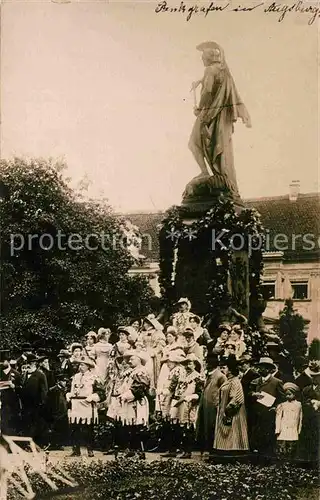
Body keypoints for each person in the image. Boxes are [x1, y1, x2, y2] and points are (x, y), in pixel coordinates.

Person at [188, 41, 251, 198]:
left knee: (193, 143)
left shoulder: (209, 70)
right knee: (216, 147)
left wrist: (200, 109)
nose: (202, 59)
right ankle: (219, 174)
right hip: (220, 117)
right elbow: (218, 86)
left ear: (209, 57)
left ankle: (204, 172)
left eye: (203, 56)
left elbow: (208, 92)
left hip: (209, 115)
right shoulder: (224, 71)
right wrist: (200, 81)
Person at [66, 356, 105, 457]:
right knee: (75, 428)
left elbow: (101, 393)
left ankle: (90, 449)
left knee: (88, 429)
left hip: (87, 406)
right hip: (76, 405)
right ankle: (76, 449)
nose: (80, 366)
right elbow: (70, 389)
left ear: (88, 366)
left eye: (83, 364)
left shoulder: (94, 378)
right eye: (79, 364)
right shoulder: (75, 377)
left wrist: (93, 397)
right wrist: (69, 395)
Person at [249, 357, 285, 458]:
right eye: (260, 367)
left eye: (264, 368)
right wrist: (253, 394)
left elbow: (282, 398)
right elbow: (248, 394)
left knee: (268, 434)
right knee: (256, 433)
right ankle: (257, 455)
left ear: (270, 370)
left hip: (269, 412)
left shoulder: (276, 382)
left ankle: (268, 456)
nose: (261, 370)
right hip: (256, 412)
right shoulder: (255, 381)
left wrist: (275, 407)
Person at [213, 355, 249, 454]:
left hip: (233, 413)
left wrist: (227, 412)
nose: (222, 370)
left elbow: (237, 399)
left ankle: (233, 452)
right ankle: (225, 450)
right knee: (226, 433)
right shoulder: (228, 381)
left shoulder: (235, 382)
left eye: (224, 368)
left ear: (231, 369)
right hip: (225, 410)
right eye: (221, 368)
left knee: (233, 433)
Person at [196, 353, 227, 455]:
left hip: (213, 405)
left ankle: (213, 451)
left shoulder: (220, 376)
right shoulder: (208, 375)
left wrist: (218, 404)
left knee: (212, 427)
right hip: (205, 404)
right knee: (204, 426)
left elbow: (224, 391)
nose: (205, 364)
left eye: (207, 363)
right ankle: (206, 449)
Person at [20, 353, 48, 446]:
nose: (30, 365)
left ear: (35, 363)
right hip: (25, 404)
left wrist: (42, 403)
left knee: (35, 424)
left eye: (32, 363)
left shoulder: (40, 375)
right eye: (28, 363)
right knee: (26, 423)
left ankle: (36, 444)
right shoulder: (24, 375)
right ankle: (27, 444)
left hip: (36, 404)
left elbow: (44, 390)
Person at [275, 382, 302, 460]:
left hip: (293, 428)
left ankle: (290, 460)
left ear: (294, 394)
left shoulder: (298, 405)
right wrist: (278, 429)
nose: (288, 396)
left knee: (292, 445)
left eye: (290, 394)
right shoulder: (282, 405)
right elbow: (278, 417)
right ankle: (282, 460)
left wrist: (299, 429)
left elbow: (300, 418)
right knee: (282, 446)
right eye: (286, 394)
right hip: (283, 428)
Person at [0, 349, 22, 435]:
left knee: (12, 424)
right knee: (3, 424)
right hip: (2, 403)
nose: (0, 363)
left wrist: (14, 386)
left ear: (8, 361)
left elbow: (21, 389)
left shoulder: (16, 374)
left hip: (12, 404)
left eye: (2, 361)